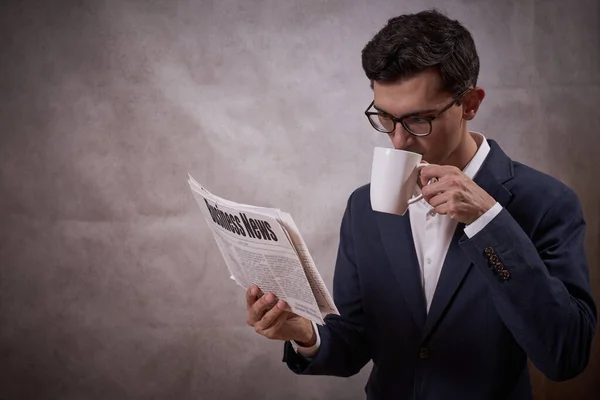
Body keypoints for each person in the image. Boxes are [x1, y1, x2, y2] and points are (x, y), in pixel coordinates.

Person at [245, 9, 597, 399]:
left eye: (418, 120)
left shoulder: (548, 202)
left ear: (470, 104)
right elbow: (354, 342)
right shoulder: (363, 207)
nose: (398, 140)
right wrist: (304, 333)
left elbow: (567, 355)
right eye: (385, 117)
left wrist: (488, 221)